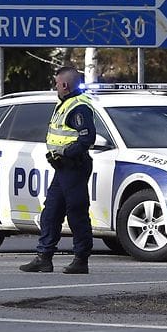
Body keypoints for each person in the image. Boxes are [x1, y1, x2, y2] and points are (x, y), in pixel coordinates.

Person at [20, 66, 96, 274]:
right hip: (62, 168)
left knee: (76, 213)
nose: (55, 87)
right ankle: (44, 257)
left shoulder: (79, 107)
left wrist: (66, 153)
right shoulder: (64, 104)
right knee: (51, 212)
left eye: (56, 83)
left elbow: (87, 138)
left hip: (74, 167)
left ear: (64, 85)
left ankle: (81, 260)